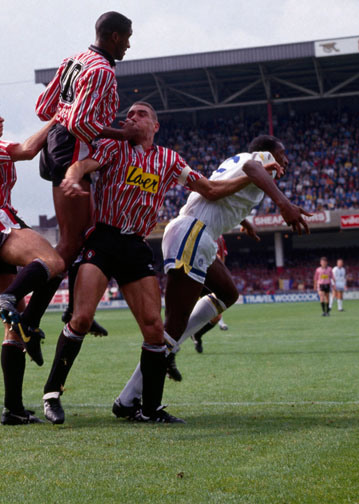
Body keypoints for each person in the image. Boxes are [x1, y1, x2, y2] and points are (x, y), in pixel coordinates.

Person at [40, 102, 256, 425]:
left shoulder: (168, 160)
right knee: (82, 317)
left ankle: (149, 409)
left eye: (140, 114)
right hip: (104, 238)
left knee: (155, 329)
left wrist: (248, 187)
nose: (132, 117)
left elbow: (209, 189)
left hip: (135, 246)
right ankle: (52, 394)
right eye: (129, 114)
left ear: (155, 125)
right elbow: (82, 167)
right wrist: (72, 175)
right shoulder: (114, 147)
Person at [113, 135, 310, 418]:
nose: (286, 159)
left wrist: (243, 219)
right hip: (193, 233)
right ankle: (129, 399)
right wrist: (284, 204)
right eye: (283, 153)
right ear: (268, 152)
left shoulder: (238, 160)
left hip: (198, 234)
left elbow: (230, 188)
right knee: (173, 324)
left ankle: (168, 351)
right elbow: (254, 169)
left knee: (228, 293)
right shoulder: (260, 161)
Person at [0, 96, 65, 425]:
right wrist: (59, 117)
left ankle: (13, 409)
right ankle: (25, 316)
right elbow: (29, 150)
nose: (0, 118)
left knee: (11, 329)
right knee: (55, 262)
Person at [34, 11, 140, 337]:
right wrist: (123, 135)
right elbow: (81, 123)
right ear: (114, 37)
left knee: (89, 235)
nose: (129, 45)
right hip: (73, 148)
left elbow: (43, 108)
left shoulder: (74, 60)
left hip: (56, 144)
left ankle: (76, 309)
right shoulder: (102, 70)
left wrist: (64, 119)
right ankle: (28, 316)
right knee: (70, 242)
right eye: (128, 38)